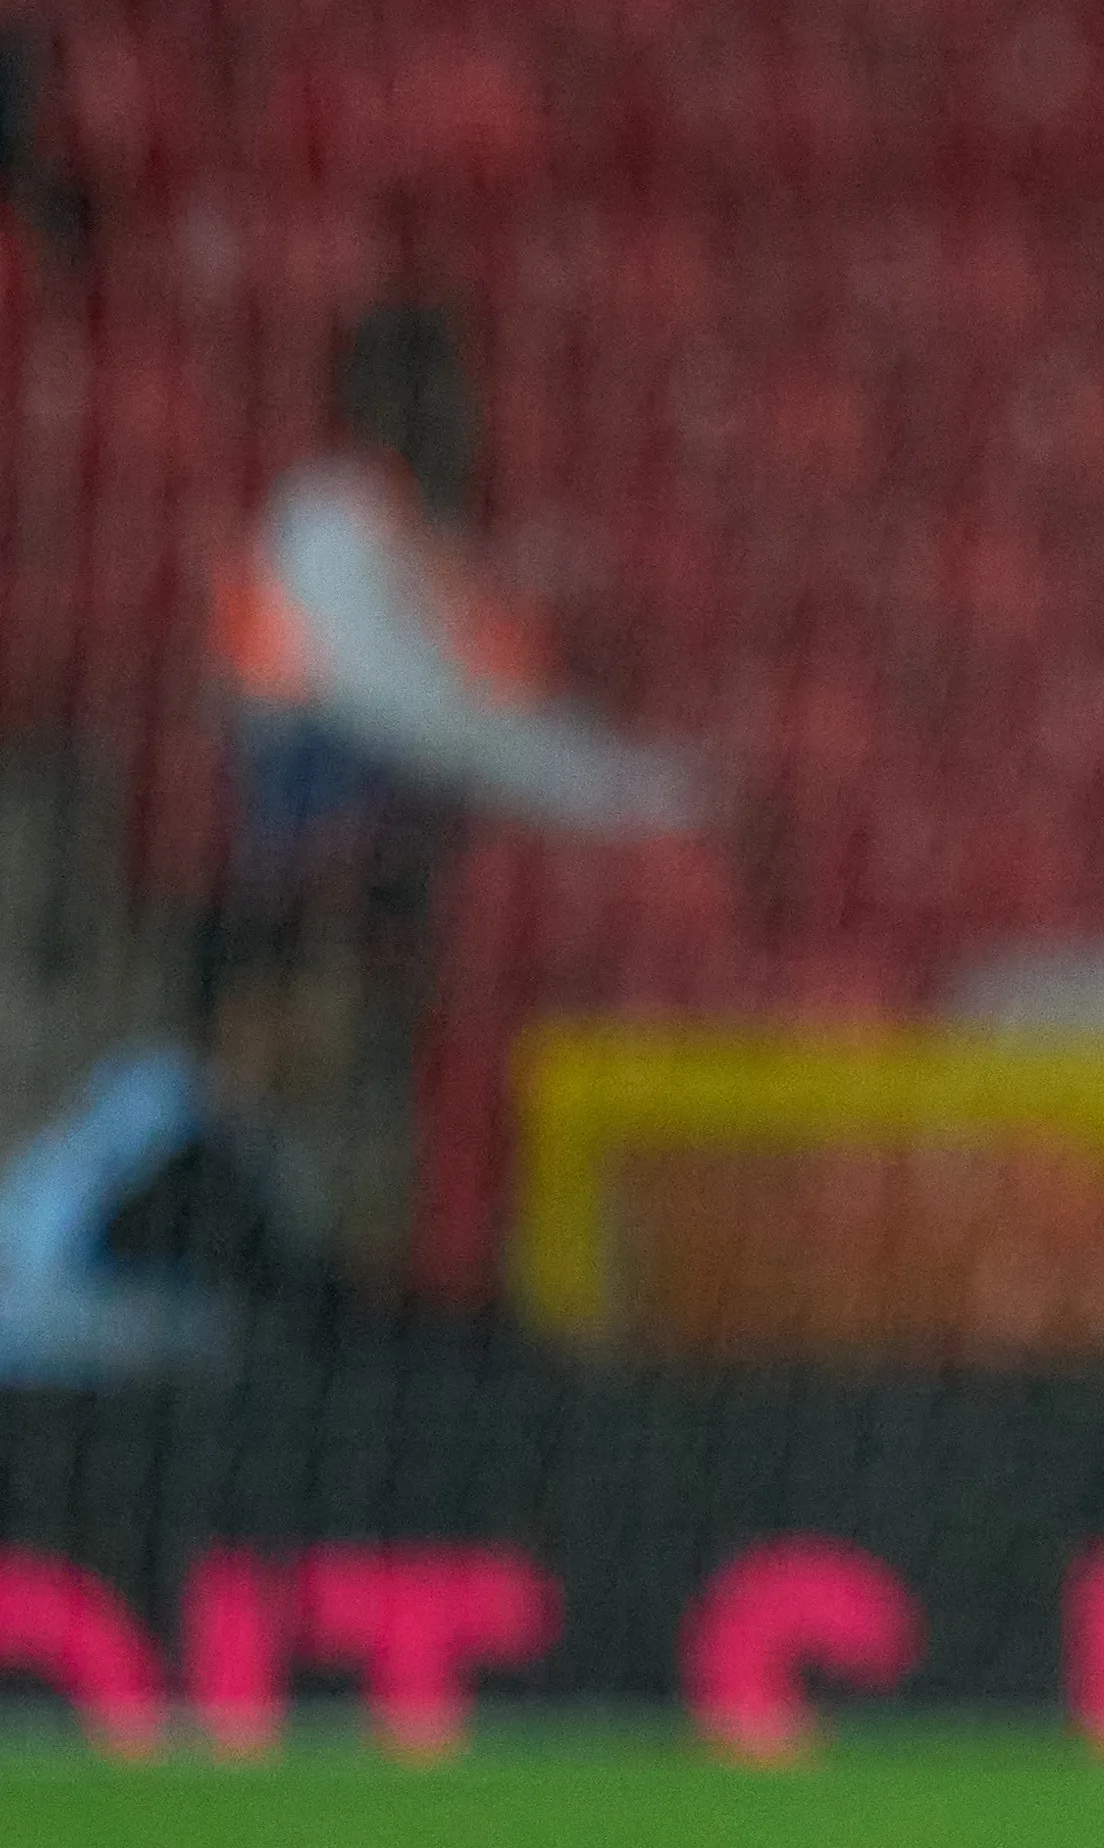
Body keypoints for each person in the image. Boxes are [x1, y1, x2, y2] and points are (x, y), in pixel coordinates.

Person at [223, 297, 702, 950]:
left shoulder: (431, 536)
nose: (461, 410)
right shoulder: (325, 518)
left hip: (429, 804)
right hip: (330, 819)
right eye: (438, 388)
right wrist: (629, 791)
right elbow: (417, 717)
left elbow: (496, 712)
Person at [0, 901, 370, 1381]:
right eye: (312, 1000)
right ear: (250, 1005)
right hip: (45, 1383)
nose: (330, 1028)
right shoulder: (157, 1103)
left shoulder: (257, 1136)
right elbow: (66, 1249)